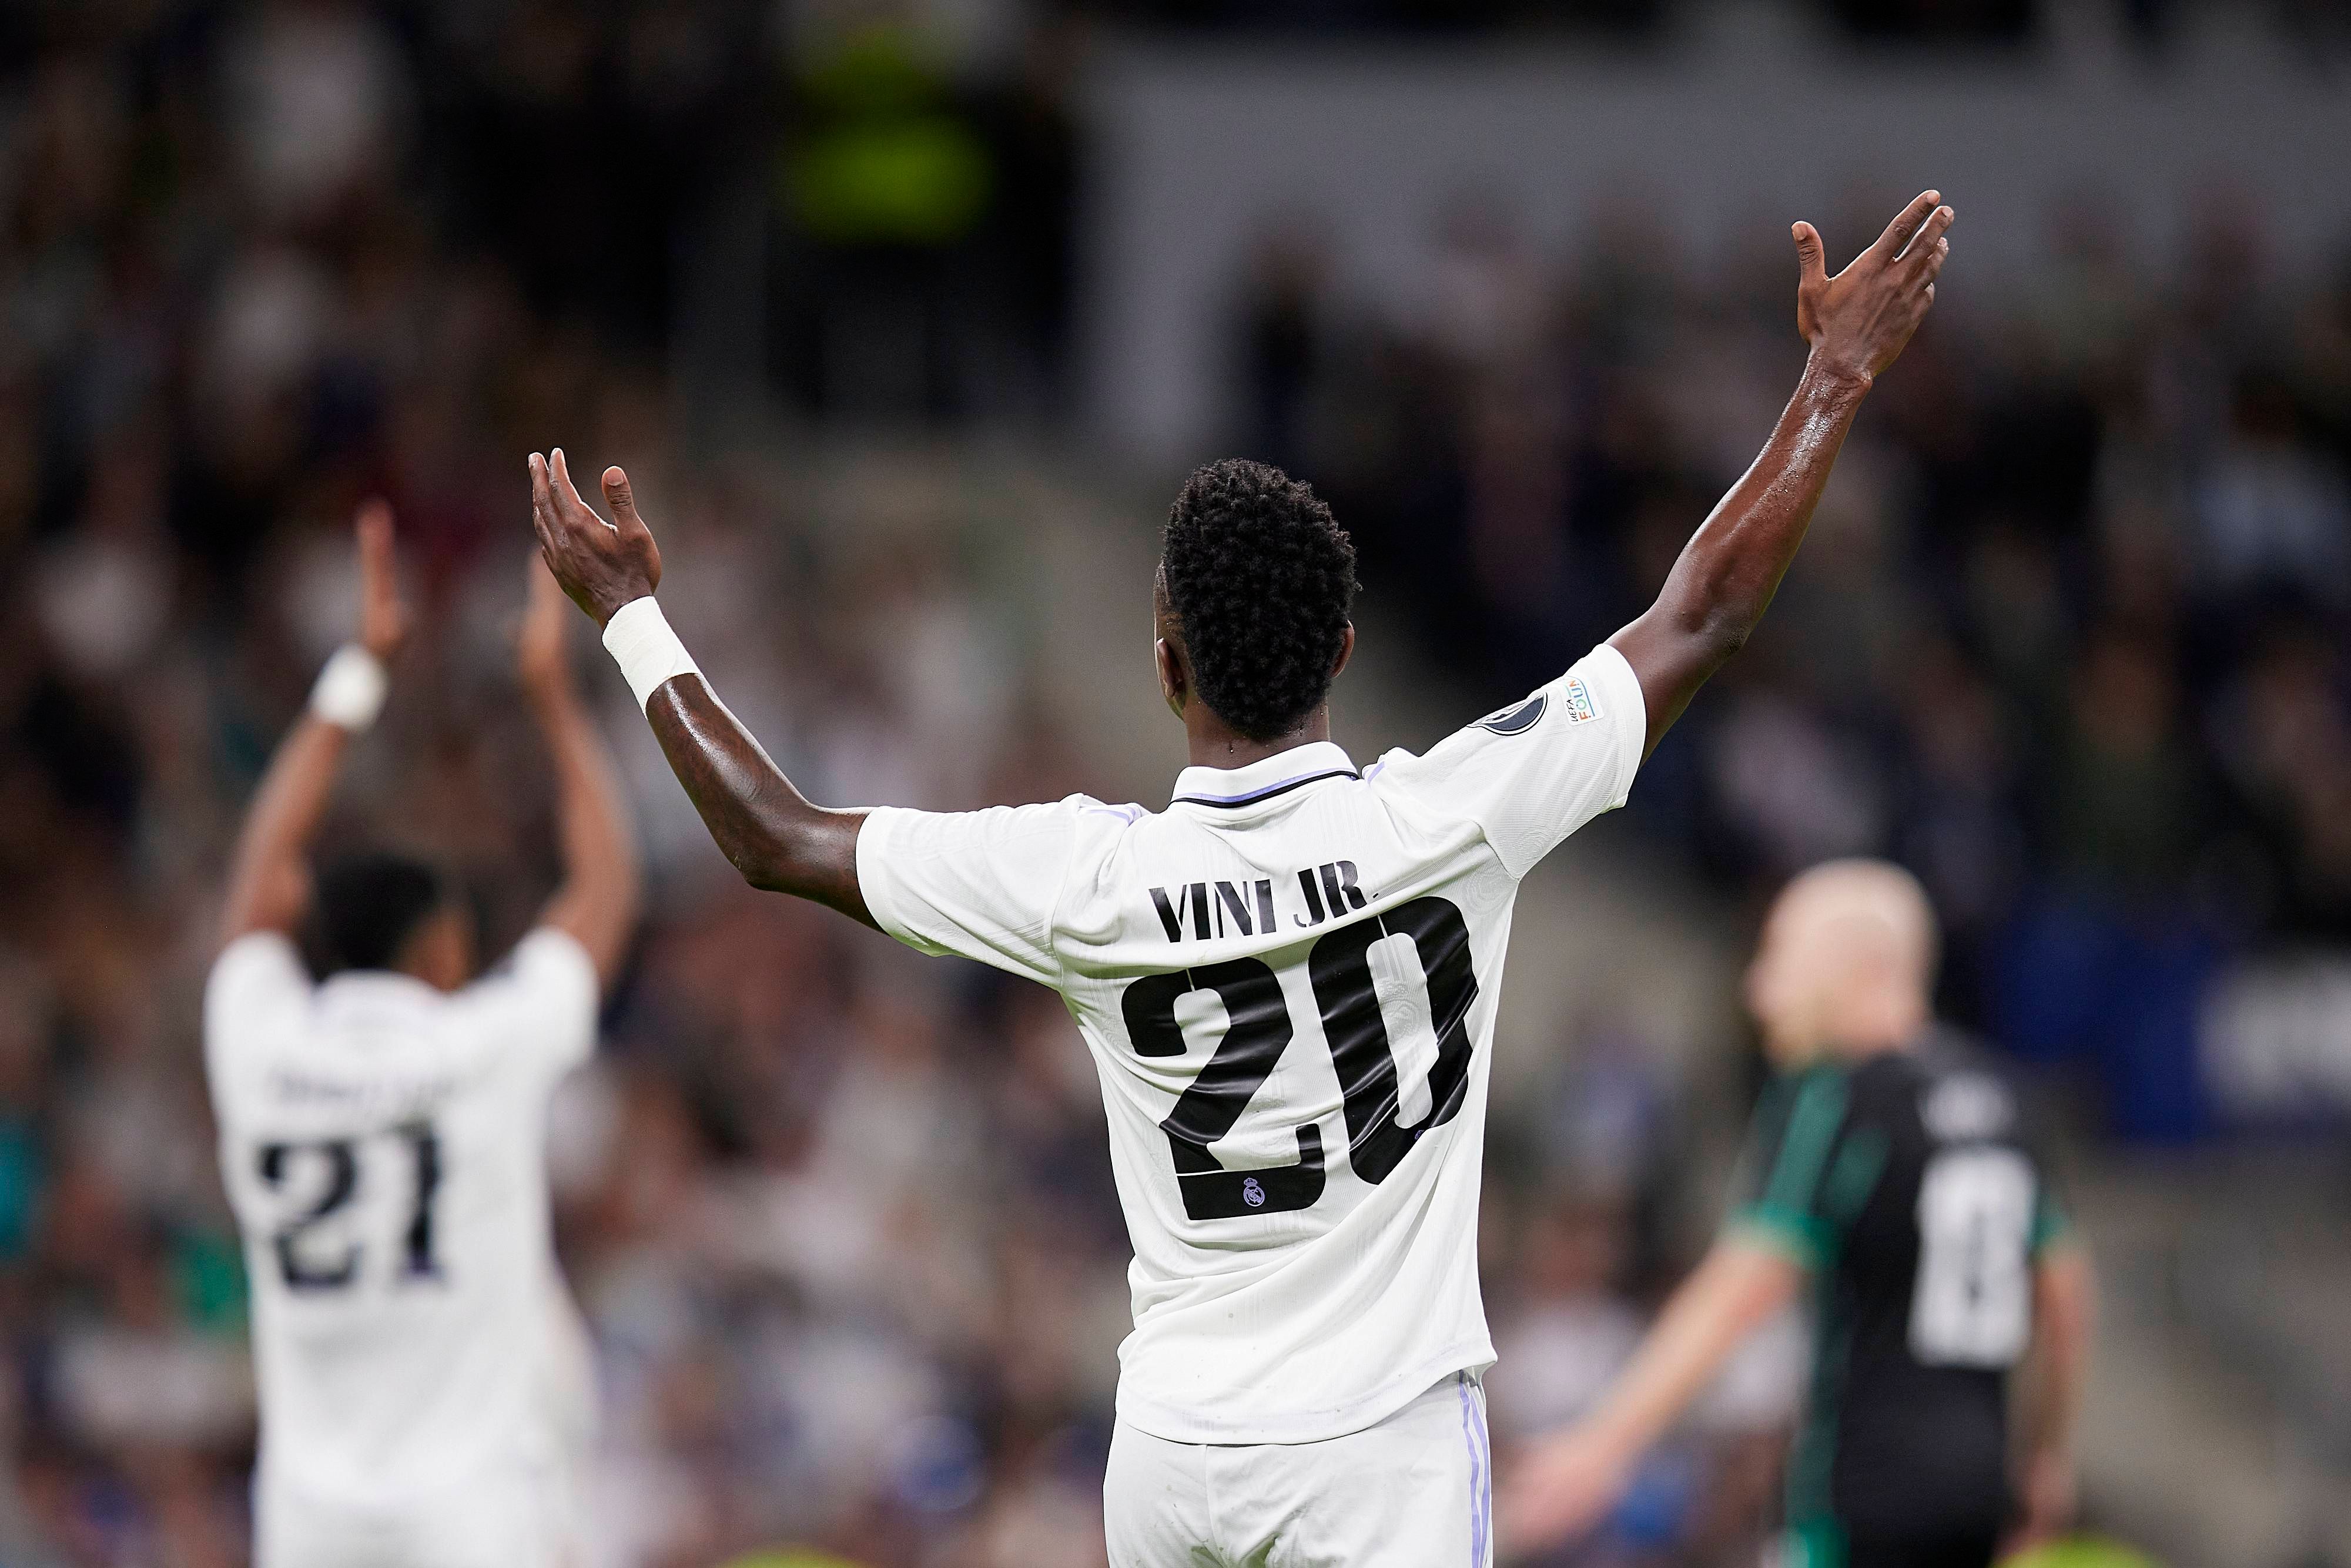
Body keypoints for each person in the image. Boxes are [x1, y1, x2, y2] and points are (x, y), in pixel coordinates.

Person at [528, 192, 1957, 1567]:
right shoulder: (1455, 815)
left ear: (1163, 666)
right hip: (1377, 1449)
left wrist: (636, 621)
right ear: (1341, 652)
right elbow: (1700, 611)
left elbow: (774, 835)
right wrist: (1831, 379)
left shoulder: (1084, 875)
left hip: (1173, 1451)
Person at [203, 502, 640, 1568]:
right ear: (443, 949)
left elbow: (255, 889)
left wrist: (355, 677)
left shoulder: (260, 1049)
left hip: (308, 1516)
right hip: (472, 1515)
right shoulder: (478, 1051)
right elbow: (603, 887)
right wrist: (551, 698)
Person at [1498, 860, 2097, 1568]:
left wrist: (1602, 1445)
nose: (1758, 991)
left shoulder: (1837, 1097)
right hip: (1978, 1495)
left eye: (1779, 957)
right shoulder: (2007, 1100)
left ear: (1859, 968)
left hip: (1861, 1492)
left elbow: (1743, 1285)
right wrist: (2043, 1456)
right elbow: (2064, 1298)